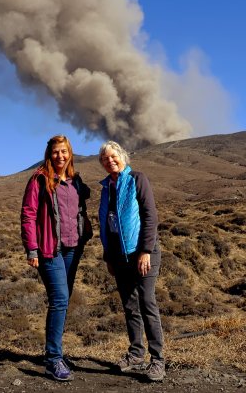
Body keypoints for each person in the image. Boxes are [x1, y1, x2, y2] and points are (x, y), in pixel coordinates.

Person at [21, 135, 93, 381]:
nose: (60, 156)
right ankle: (53, 360)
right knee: (59, 299)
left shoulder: (75, 181)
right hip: (49, 250)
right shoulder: (39, 179)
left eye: (64, 151)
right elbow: (28, 214)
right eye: (55, 152)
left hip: (73, 247)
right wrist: (32, 249)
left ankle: (56, 354)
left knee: (64, 299)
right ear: (48, 154)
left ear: (70, 153)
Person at [98, 140, 166, 382]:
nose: (110, 161)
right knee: (129, 305)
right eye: (105, 159)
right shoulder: (106, 187)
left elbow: (150, 215)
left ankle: (157, 359)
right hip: (119, 256)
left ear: (123, 156)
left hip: (142, 252)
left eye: (113, 156)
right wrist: (108, 257)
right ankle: (136, 353)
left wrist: (146, 250)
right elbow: (106, 225)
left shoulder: (137, 179)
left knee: (147, 302)